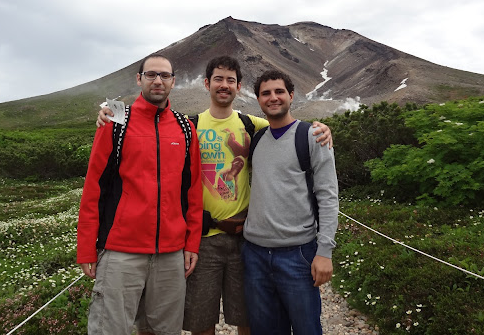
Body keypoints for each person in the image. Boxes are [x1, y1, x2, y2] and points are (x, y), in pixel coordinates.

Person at [97, 56, 333, 335]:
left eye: (230, 80)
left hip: (244, 240)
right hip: (202, 240)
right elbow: (149, 126)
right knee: (200, 320)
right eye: (218, 79)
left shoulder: (253, 125)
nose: (224, 85)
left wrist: (320, 130)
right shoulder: (188, 126)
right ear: (207, 84)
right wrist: (108, 114)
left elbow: (286, 127)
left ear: (239, 87)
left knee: (249, 319)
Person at [77, 53, 204, 335]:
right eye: (151, 75)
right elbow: (94, 186)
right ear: (139, 79)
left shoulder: (185, 128)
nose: (158, 80)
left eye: (165, 75)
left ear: (173, 81)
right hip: (121, 251)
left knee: (166, 331)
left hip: (171, 253)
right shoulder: (115, 122)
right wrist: (86, 245)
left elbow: (193, 191)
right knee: (110, 329)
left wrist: (191, 243)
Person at [242, 69, 339, 335]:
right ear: (258, 99)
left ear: (291, 95)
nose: (273, 98)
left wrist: (324, 252)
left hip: (298, 255)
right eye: (266, 93)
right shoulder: (257, 138)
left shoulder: (312, 136)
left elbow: (328, 196)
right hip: (255, 255)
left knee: (307, 329)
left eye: (279, 91)